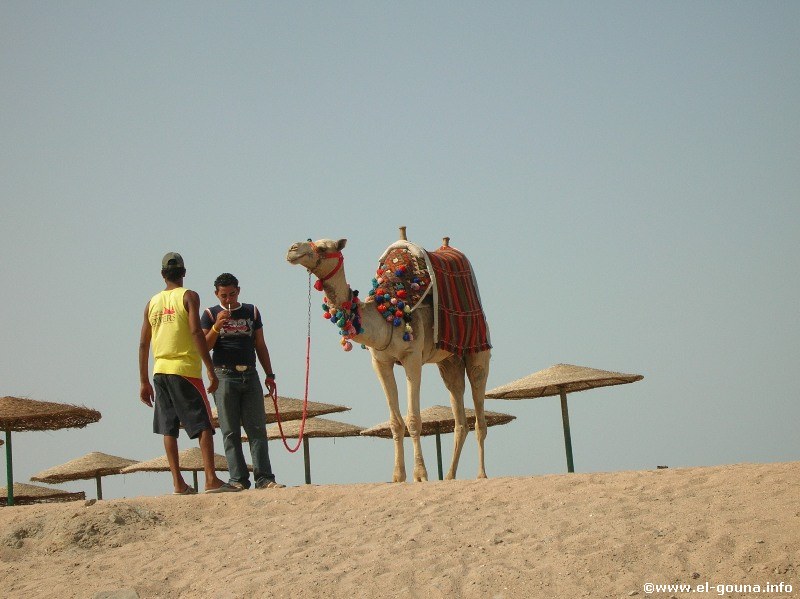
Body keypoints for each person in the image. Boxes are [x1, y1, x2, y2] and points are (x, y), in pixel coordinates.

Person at [139, 252, 239, 494]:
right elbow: (196, 332)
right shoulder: (189, 296)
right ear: (184, 273)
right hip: (185, 370)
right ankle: (211, 480)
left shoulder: (152, 303)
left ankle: (178, 483)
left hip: (159, 371)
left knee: (168, 428)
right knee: (204, 424)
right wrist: (209, 368)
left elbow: (143, 344)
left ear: (163, 275)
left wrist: (143, 381)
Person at [201, 272, 285, 490]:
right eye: (223, 296)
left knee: (257, 428)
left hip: (250, 373)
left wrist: (270, 374)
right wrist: (217, 327)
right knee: (230, 430)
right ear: (216, 294)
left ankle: (264, 478)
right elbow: (204, 346)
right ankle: (237, 479)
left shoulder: (251, 311)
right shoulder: (210, 314)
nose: (228, 300)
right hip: (224, 375)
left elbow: (260, 344)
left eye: (231, 294)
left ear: (238, 291)